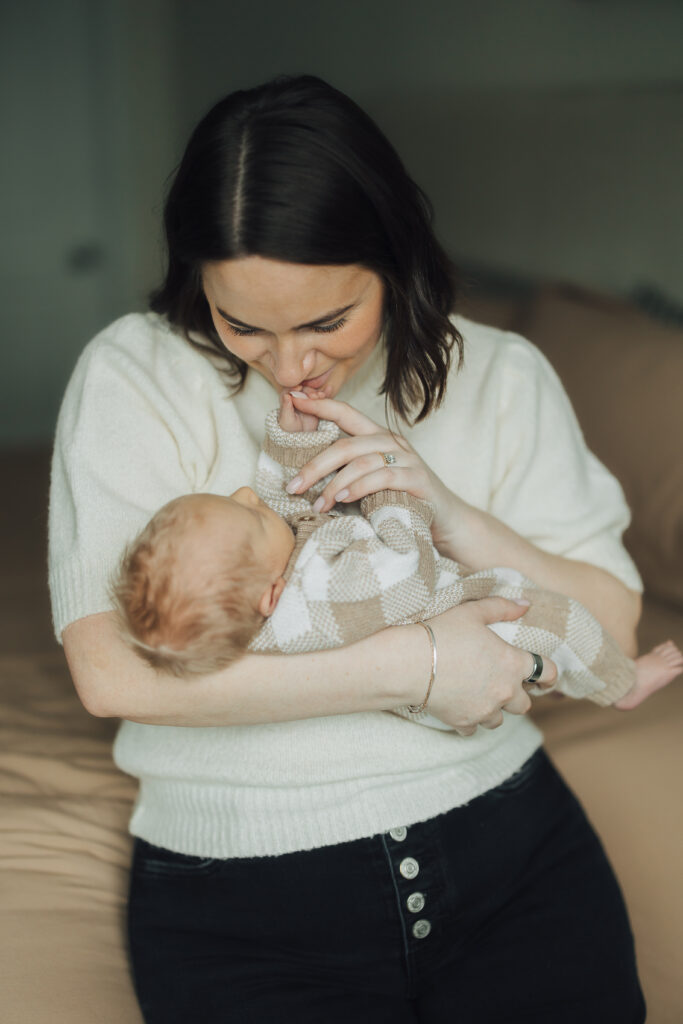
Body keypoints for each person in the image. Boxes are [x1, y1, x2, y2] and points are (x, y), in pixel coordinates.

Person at [48, 74, 650, 1021]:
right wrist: (420, 667)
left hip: (516, 857)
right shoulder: (135, 371)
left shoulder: (501, 375)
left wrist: (449, 510)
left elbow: (610, 618)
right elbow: (110, 675)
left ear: (394, 261)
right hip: (241, 901)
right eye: (241, 323)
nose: (291, 367)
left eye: (327, 322)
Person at [110, 391, 682, 724]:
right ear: (271, 597)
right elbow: (408, 573)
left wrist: (293, 437)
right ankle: (620, 686)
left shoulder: (266, 580)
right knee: (561, 620)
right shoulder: (320, 602)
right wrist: (389, 488)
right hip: (471, 628)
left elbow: (286, 497)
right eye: (252, 515)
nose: (247, 495)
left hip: (459, 615)